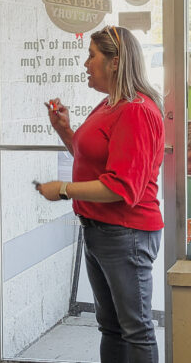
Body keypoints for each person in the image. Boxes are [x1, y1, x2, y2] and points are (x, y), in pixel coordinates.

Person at [36, 25, 164, 363]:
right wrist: (65, 130)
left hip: (127, 234)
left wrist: (62, 190)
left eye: (91, 56)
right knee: (110, 327)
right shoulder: (109, 105)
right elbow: (90, 158)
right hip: (99, 230)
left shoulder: (135, 110)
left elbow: (122, 187)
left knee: (135, 331)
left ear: (115, 62)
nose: (85, 64)